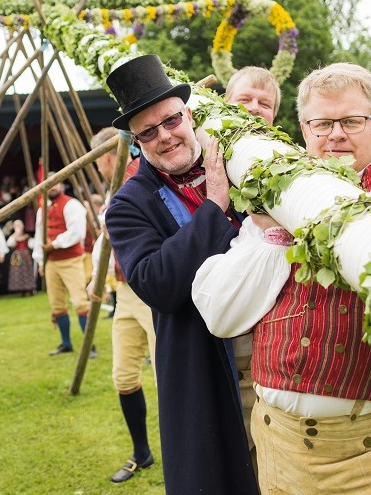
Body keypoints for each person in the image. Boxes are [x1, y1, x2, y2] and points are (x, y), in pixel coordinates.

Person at [193, 62, 371, 493]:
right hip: (276, 446)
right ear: (304, 130)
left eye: (352, 121)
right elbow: (220, 316)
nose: (336, 134)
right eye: (322, 123)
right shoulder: (272, 203)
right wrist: (275, 234)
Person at [99, 55, 258, 494]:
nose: (164, 137)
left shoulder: (240, 163)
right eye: (147, 132)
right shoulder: (130, 204)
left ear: (187, 115)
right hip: (205, 367)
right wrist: (214, 206)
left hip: (276, 360)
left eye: (170, 121)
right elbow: (156, 283)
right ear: (136, 141)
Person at [89, 127, 158, 484]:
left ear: (104, 157)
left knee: (169, 377)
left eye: (97, 163)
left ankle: (186, 452)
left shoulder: (139, 178)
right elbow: (106, 240)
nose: (98, 169)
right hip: (124, 294)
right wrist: (95, 278)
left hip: (150, 291)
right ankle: (141, 452)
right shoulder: (114, 186)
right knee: (124, 376)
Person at [40, 179, 93, 356]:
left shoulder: (72, 204)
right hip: (51, 262)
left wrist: (55, 244)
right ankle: (66, 343)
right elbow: (40, 237)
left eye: (55, 183)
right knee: (57, 304)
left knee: (79, 302)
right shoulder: (43, 209)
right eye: (49, 184)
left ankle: (89, 346)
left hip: (71, 260)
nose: (52, 187)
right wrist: (41, 261)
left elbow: (77, 233)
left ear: (61, 185)